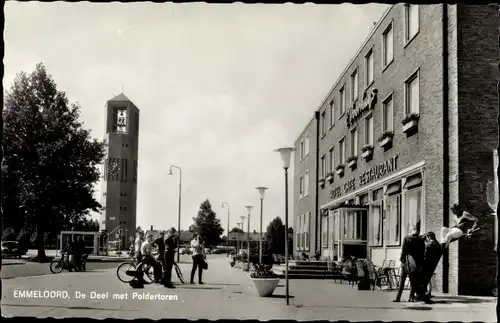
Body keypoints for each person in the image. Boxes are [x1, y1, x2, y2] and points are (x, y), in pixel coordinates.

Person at [393, 224, 432, 304]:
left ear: (411, 230)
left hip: (407, 262)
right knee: (412, 281)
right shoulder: (421, 239)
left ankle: (398, 298)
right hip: (416, 264)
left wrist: (402, 261)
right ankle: (411, 297)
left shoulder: (407, 238)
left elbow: (403, 252)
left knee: (402, 281)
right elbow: (423, 252)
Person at [420, 231, 442, 299]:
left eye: (427, 237)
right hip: (433, 264)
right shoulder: (437, 244)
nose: (427, 239)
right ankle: (428, 292)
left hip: (427, 264)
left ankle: (423, 294)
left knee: (424, 279)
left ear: (429, 237)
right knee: (429, 278)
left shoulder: (430, 244)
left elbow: (425, 254)